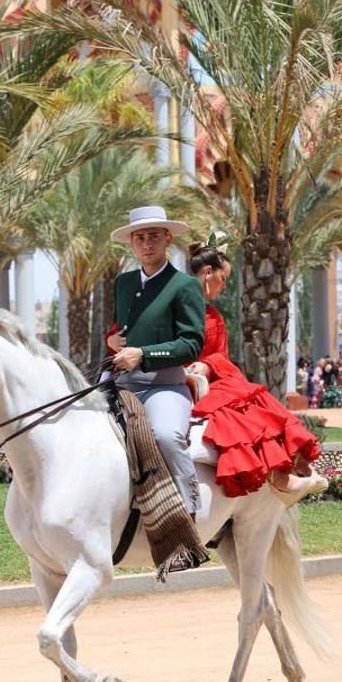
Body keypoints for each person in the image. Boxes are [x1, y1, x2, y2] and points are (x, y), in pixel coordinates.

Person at [186, 243, 326, 505]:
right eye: (223, 278)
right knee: (234, 407)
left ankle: (289, 468)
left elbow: (220, 355)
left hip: (206, 377)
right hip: (182, 379)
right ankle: (280, 478)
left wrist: (208, 365)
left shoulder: (213, 316)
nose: (224, 286)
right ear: (207, 273)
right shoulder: (176, 307)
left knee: (252, 397)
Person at [108, 205, 206, 569]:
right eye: (139, 237)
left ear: (168, 238)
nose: (146, 243)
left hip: (163, 385)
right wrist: (115, 343)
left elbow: (192, 344)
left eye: (153, 236)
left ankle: (188, 519)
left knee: (166, 435)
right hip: (121, 381)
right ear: (132, 243)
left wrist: (143, 355)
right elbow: (122, 330)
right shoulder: (124, 283)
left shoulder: (185, 286)